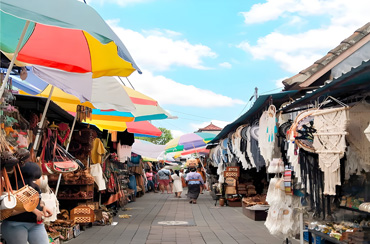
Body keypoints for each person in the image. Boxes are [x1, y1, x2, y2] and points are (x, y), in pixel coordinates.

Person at [2, 162, 53, 244]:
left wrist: (43, 207)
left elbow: (39, 201)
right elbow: (7, 211)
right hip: (15, 224)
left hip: (36, 224)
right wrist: (32, 209)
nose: (36, 180)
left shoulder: (34, 186)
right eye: (34, 177)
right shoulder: (11, 188)